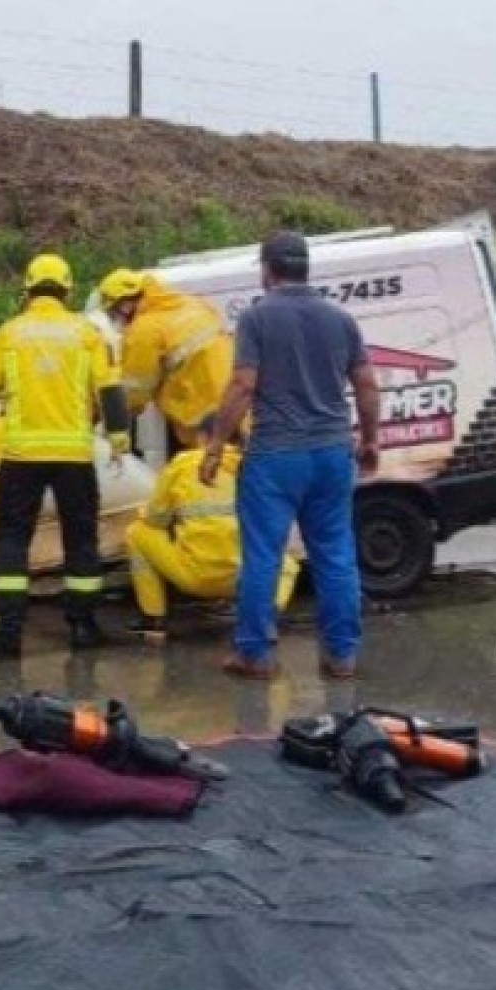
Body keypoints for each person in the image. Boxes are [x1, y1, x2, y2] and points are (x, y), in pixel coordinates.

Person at [200, 230, 381, 681]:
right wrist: (371, 441)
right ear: (305, 267)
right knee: (336, 554)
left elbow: (243, 385)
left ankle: (255, 656)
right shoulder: (341, 319)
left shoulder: (258, 319)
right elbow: (367, 385)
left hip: (276, 457)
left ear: (268, 268)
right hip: (332, 454)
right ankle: (342, 657)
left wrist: (216, 445)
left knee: (263, 555)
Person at [0, 252, 134, 658]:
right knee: (80, 538)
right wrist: (118, 439)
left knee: (11, 537)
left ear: (27, 289)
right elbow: (110, 391)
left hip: (20, 455)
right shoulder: (86, 334)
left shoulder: (7, 333)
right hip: (74, 456)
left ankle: (7, 629)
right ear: (67, 289)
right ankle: (82, 625)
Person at [124, 413, 300, 643]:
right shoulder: (254, 466)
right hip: (245, 577)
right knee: (288, 563)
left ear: (203, 437)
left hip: (194, 576)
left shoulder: (183, 464)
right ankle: (263, 619)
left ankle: (153, 621)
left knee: (137, 532)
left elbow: (155, 520)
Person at [96, 266, 234, 450]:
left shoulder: (144, 330)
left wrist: (107, 416)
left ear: (124, 305)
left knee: (207, 471)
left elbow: (134, 391)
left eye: (114, 312)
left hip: (201, 412)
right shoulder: (191, 303)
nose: (117, 319)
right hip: (237, 402)